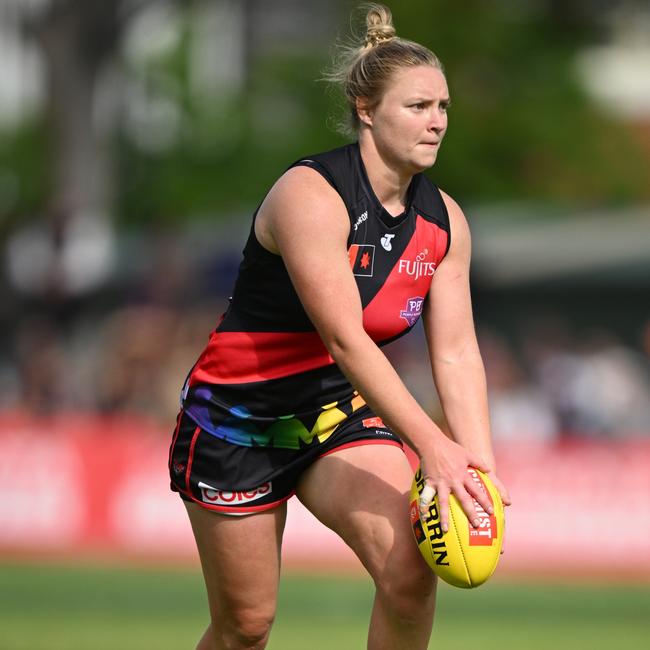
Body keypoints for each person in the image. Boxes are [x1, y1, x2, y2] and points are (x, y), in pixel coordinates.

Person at [168, 4, 511, 649]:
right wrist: (433, 448)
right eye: (417, 106)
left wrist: (477, 467)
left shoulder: (445, 222)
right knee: (246, 626)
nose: (436, 122)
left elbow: (459, 351)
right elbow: (346, 339)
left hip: (334, 412)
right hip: (240, 420)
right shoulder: (311, 195)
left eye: (443, 106)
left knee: (411, 571)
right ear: (365, 107)